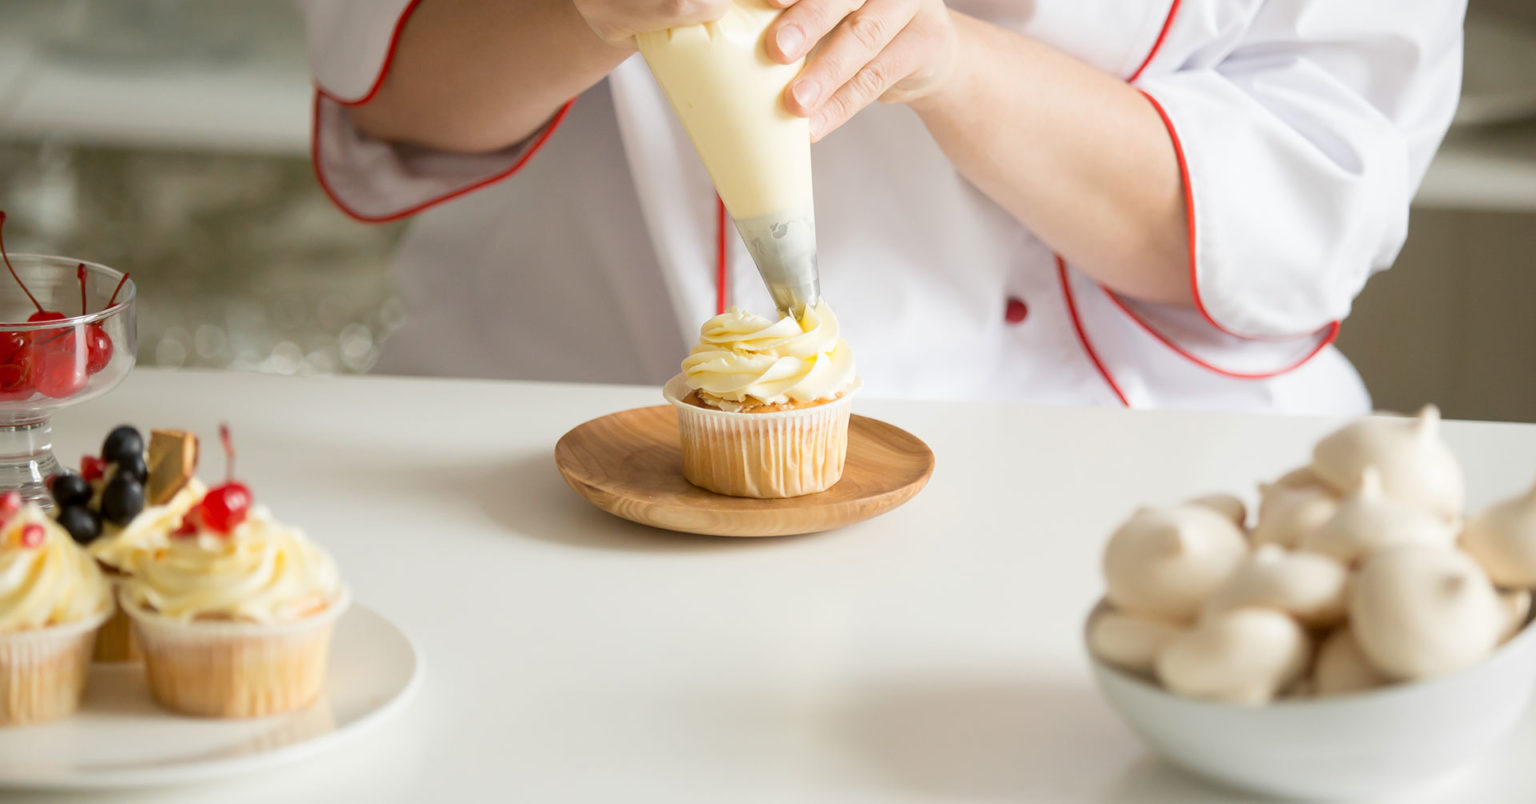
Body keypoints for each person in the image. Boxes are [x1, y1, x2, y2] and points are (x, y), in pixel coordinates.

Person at [299, 0, 1465, 413]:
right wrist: (583, 8)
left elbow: (1305, 204)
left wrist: (948, 66)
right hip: (569, 425)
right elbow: (393, 99)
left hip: (1116, 482)